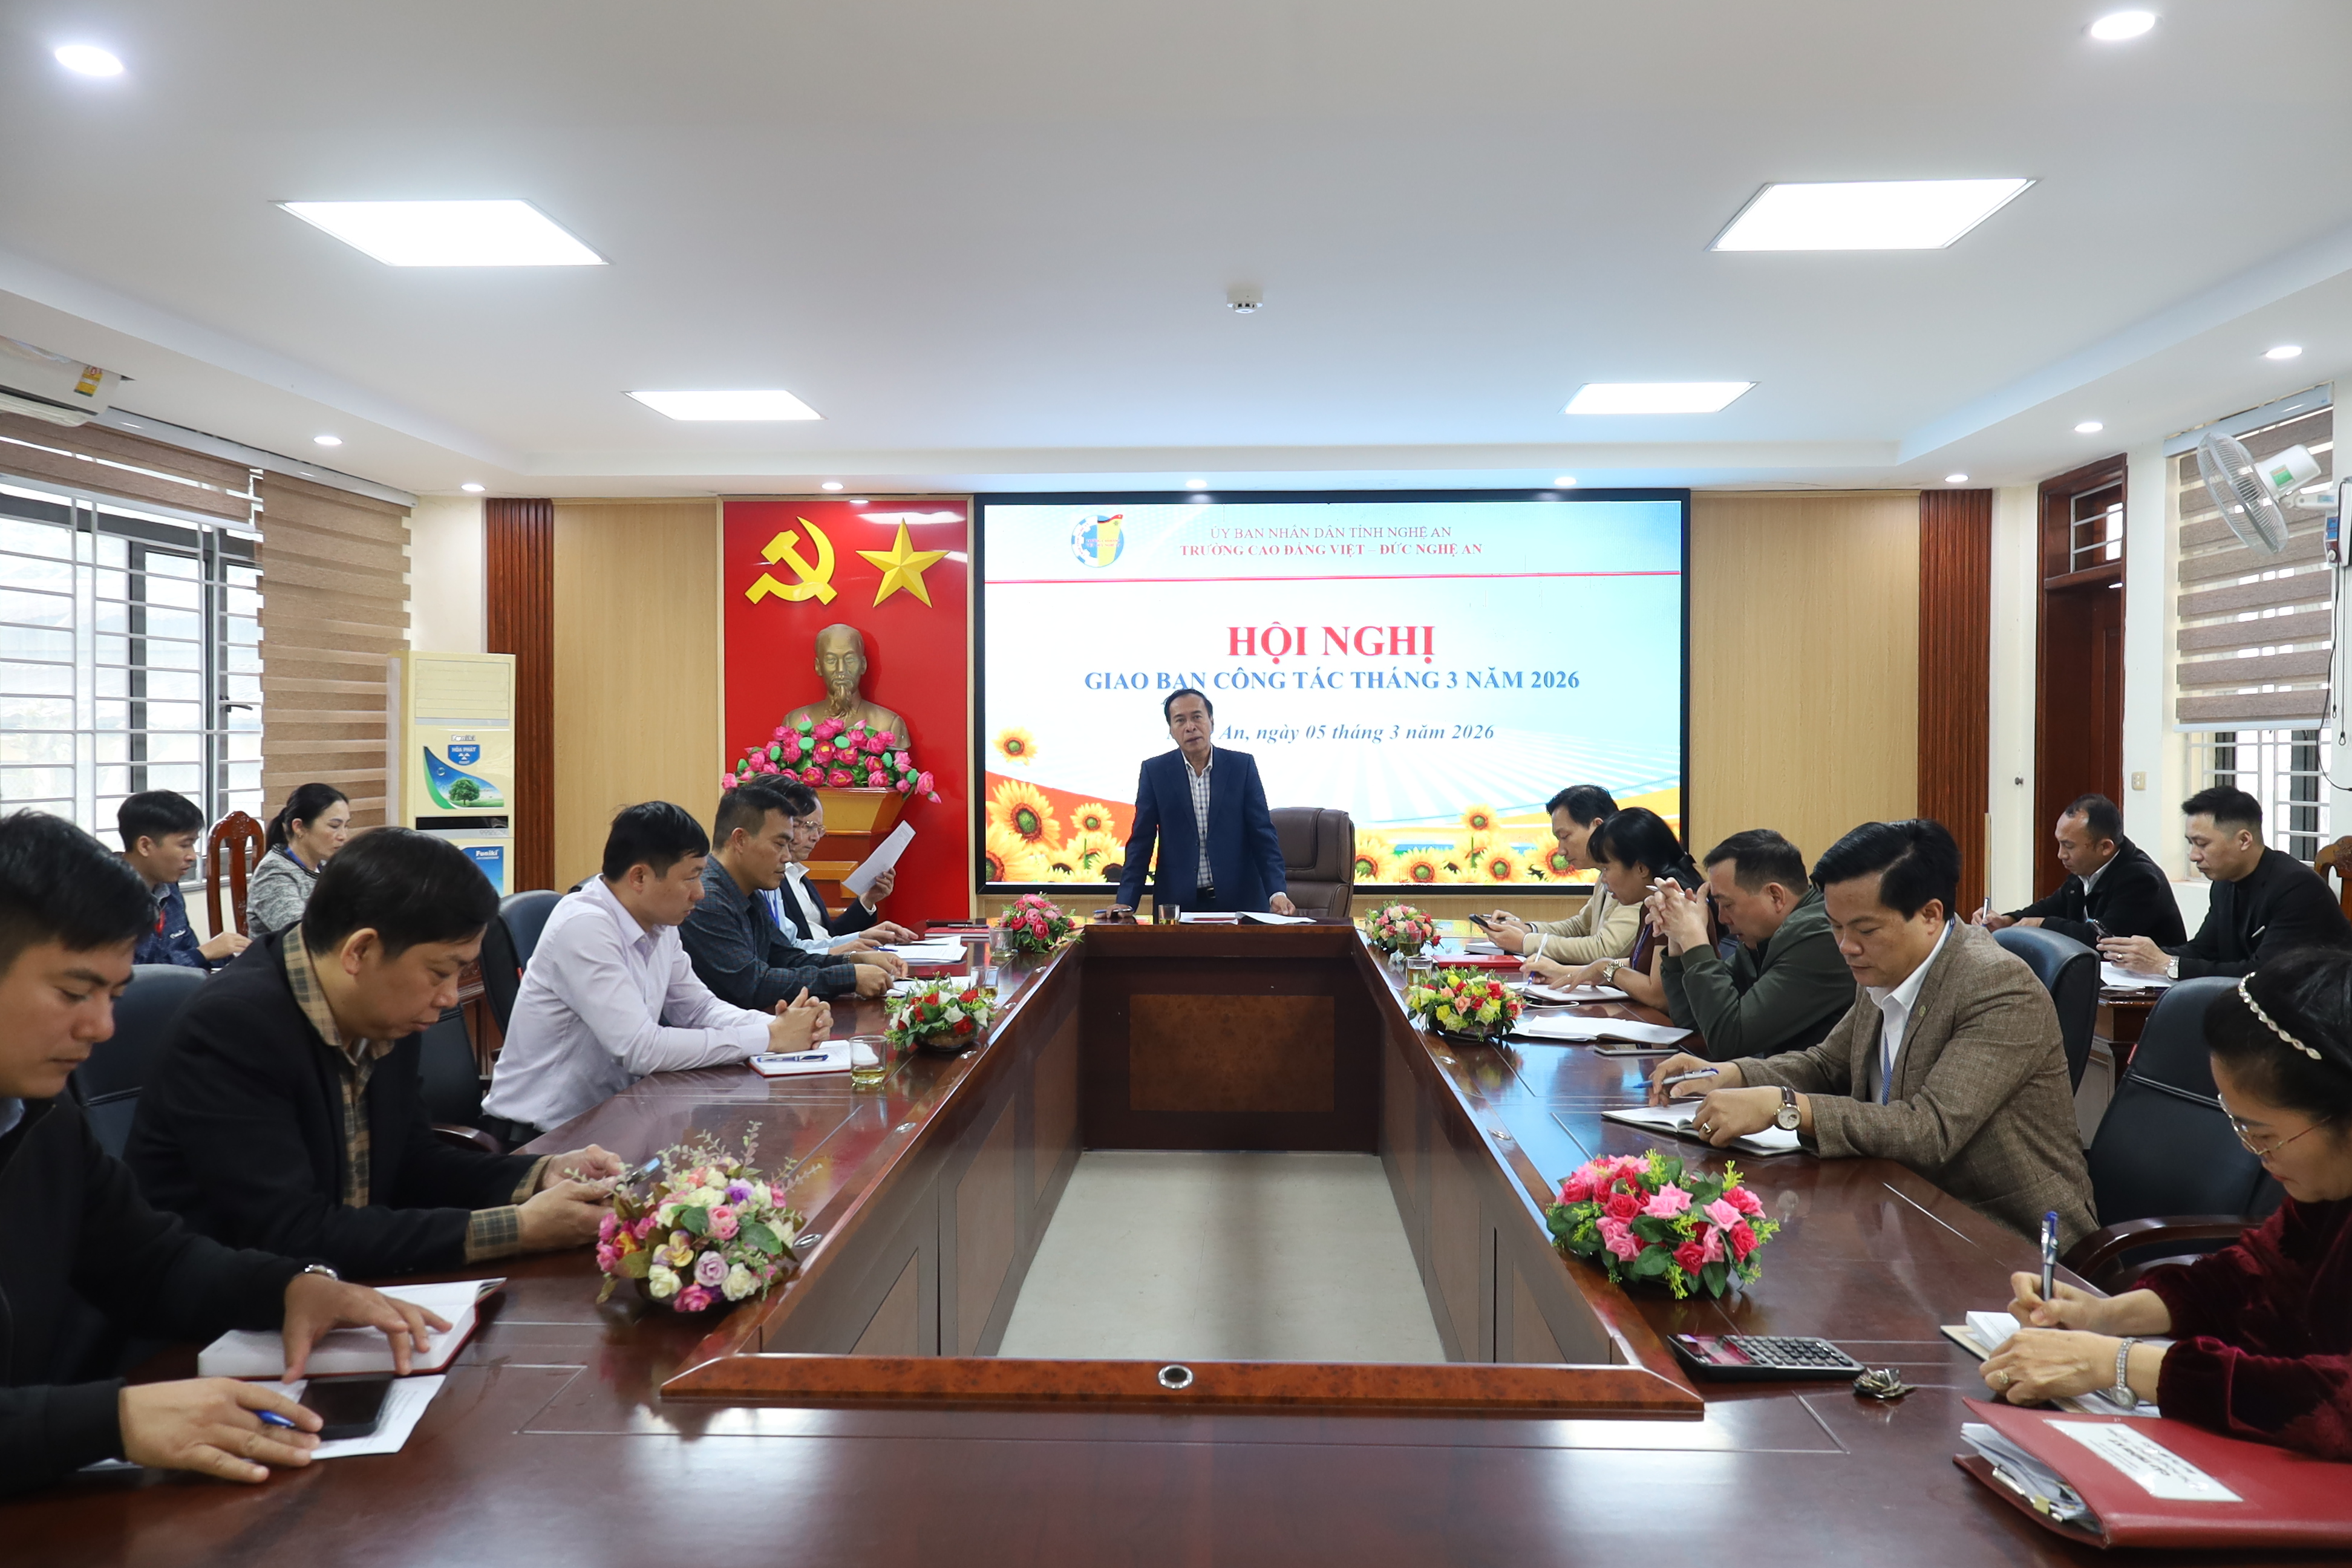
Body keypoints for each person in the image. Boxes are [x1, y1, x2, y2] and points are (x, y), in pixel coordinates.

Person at [0, 810, 448, 1495]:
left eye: (114, 995)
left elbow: (153, 1264)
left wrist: (292, 1288)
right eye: (73, 993)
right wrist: (112, 1419)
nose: (102, 1027)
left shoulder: (42, 1117)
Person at [127, 828, 624, 1278]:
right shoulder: (234, 1029)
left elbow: (411, 1163)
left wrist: (540, 1175)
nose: (450, 997)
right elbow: (290, 1235)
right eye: (440, 972)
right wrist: (519, 1228)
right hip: (223, 1324)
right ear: (360, 952)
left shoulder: (379, 1006)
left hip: (352, 1284)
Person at [1648, 818, 2094, 1247]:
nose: (1846, 946)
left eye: (1864, 929)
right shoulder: (1885, 965)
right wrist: (1732, 1074)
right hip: (1901, 1206)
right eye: (1835, 926)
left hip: (2003, 1234)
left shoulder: (1997, 986)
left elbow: (1930, 1129)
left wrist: (1787, 1107)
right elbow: (1827, 1064)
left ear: (1930, 915)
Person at [1982, 948, 2352, 1459]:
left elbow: (2339, 1407)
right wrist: (2103, 1315)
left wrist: (2122, 1365)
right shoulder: (2327, 1190)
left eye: (2264, 1134)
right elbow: (2251, 1277)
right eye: (2237, 1124)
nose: (2254, 1152)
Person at [483, 802, 835, 1142]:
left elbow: (698, 1009)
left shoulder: (660, 922)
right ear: (640, 877)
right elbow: (640, 1048)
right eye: (691, 878)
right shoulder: (585, 927)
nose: (700, 893)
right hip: (544, 1139)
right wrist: (770, 1037)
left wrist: (783, 1026)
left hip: (617, 1119)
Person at [683, 781, 902, 1005]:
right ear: (740, 840)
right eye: (779, 844)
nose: (787, 857)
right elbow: (753, 984)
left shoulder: (749, 893)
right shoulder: (707, 899)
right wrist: (849, 977)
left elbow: (787, 957)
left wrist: (853, 960)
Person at [2102, 787, 2352, 981]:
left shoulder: (2297, 888)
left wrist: (2168, 965)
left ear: (2244, 840)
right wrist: (2144, 956)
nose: (2193, 856)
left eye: (2202, 844)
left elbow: (2266, 974)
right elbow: (2205, 949)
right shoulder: (2224, 883)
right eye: (2191, 843)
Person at [1648, 828, 1851, 1061]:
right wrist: (1677, 938)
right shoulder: (1764, 936)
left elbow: (1729, 1040)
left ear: (1775, 896)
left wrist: (1693, 938)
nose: (1722, 918)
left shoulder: (1818, 936)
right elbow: (1693, 1021)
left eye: (1728, 905)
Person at [1111, 688, 1295, 917]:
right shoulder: (1155, 772)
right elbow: (1141, 842)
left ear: (1211, 722)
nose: (1190, 727)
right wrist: (1126, 901)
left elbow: (1263, 836)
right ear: (1171, 730)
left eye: (1197, 717)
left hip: (1241, 902)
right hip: (1178, 906)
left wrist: (1277, 892)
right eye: (1180, 720)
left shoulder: (1241, 767)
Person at [1524, 807, 1696, 1011]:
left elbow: (1658, 994)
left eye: (1606, 869)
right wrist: (1563, 972)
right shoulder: (1651, 901)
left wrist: (1605, 967)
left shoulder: (1672, 904)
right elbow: (1639, 965)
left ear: (1641, 868)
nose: (1604, 879)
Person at [1973, 792, 2183, 946]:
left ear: (2105, 847)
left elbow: (2103, 938)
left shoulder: (2141, 880)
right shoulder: (2085, 872)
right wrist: (2007, 920)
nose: (2061, 855)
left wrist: (2043, 925)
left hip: (2147, 987)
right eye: (2060, 843)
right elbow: (2050, 907)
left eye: (2069, 846)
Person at [1480, 785, 1640, 964]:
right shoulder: (1605, 873)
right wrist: (1527, 929)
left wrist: (1525, 942)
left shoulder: (1635, 876)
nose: (1561, 851)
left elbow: (1605, 950)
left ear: (1598, 827)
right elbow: (1581, 927)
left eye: (1565, 836)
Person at [766, 782, 920, 958]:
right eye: (809, 826)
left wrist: (867, 902)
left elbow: (827, 937)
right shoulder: (770, 879)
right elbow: (787, 952)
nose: (816, 837)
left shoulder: (799, 875)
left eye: (819, 829)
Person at [118, 790, 247, 970]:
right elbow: (132, 975)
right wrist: (202, 954)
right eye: (184, 845)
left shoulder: (168, 887)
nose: (192, 856)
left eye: (193, 844)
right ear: (145, 846)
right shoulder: (107, 898)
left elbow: (188, 950)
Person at [244, 783, 351, 938]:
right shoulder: (273, 873)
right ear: (299, 827)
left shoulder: (326, 865)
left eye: (346, 826)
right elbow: (301, 935)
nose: (343, 836)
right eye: (334, 826)